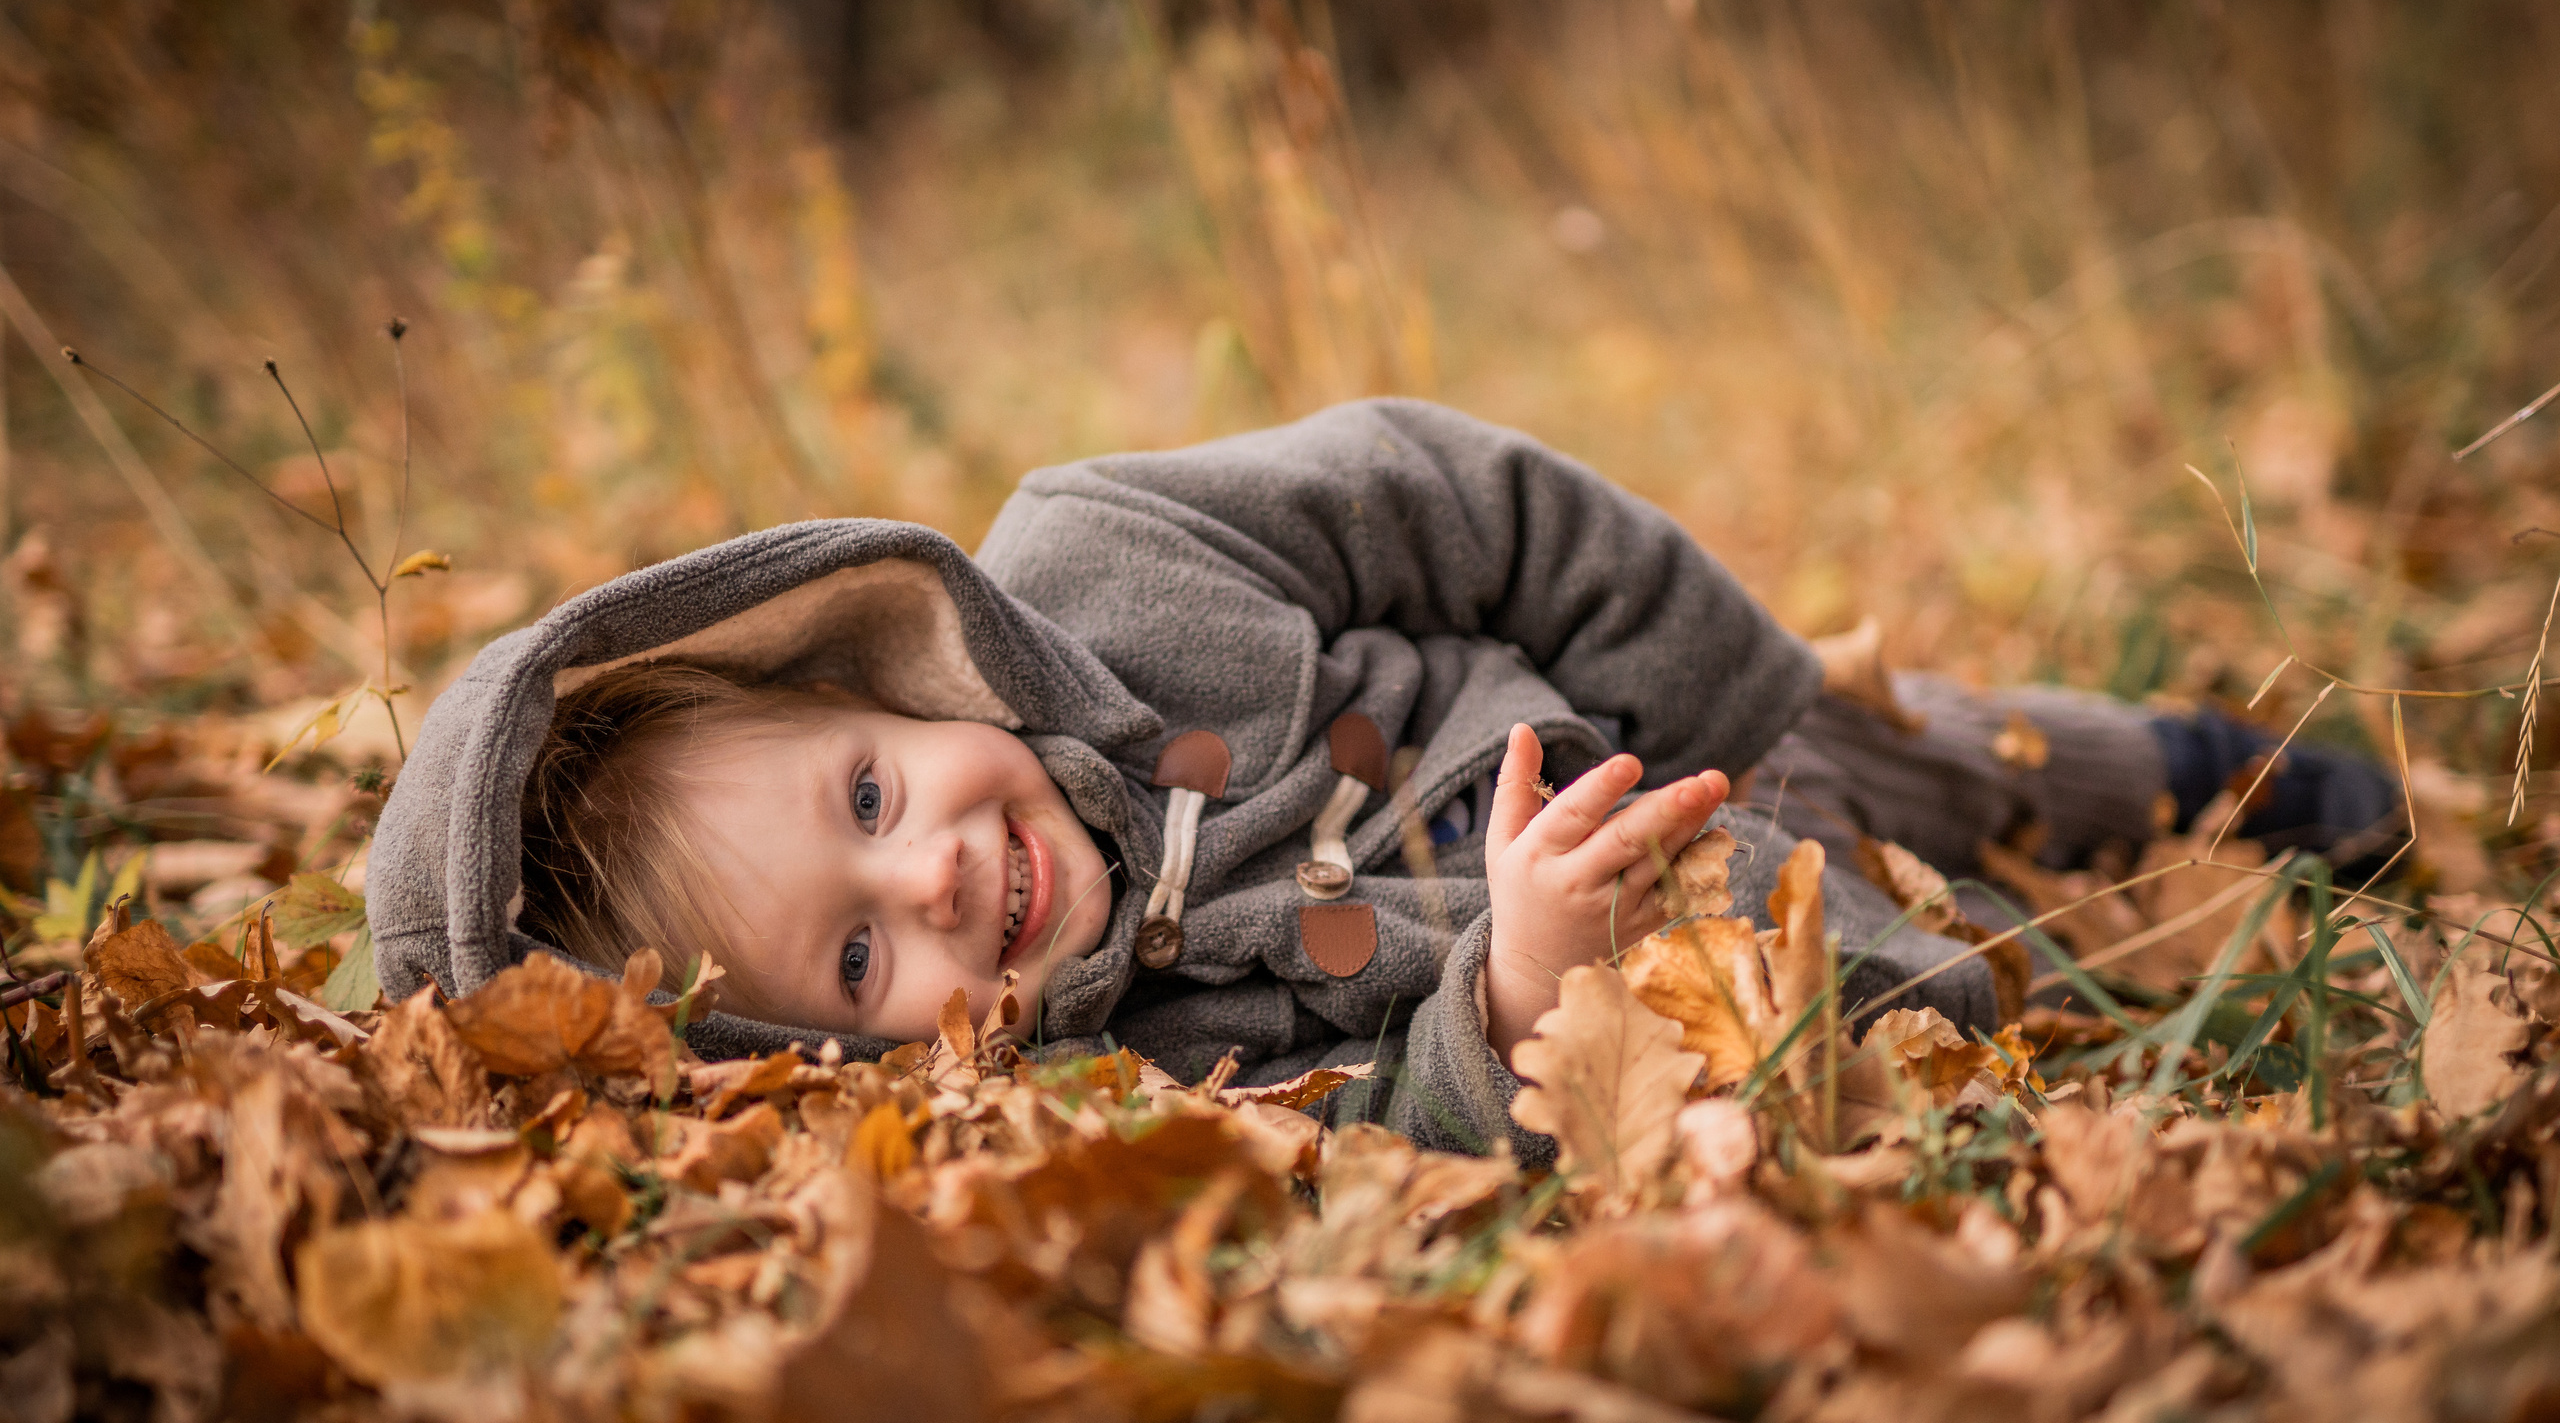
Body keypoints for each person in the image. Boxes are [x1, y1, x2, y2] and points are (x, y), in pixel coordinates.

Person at [366, 399, 2397, 1158]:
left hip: (1698, 726)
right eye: (848, 963)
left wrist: (1723, 701)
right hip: (1677, 928)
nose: (935, 889)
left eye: (873, 802)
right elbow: (1368, 1122)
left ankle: (2246, 781)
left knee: (1982, 761)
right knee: (1903, 1010)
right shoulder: (1120, 1077)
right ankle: (2001, 1009)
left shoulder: (1106, 563)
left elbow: (1454, 496)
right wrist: (1505, 1002)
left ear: (871, 669)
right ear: (824, 1051)